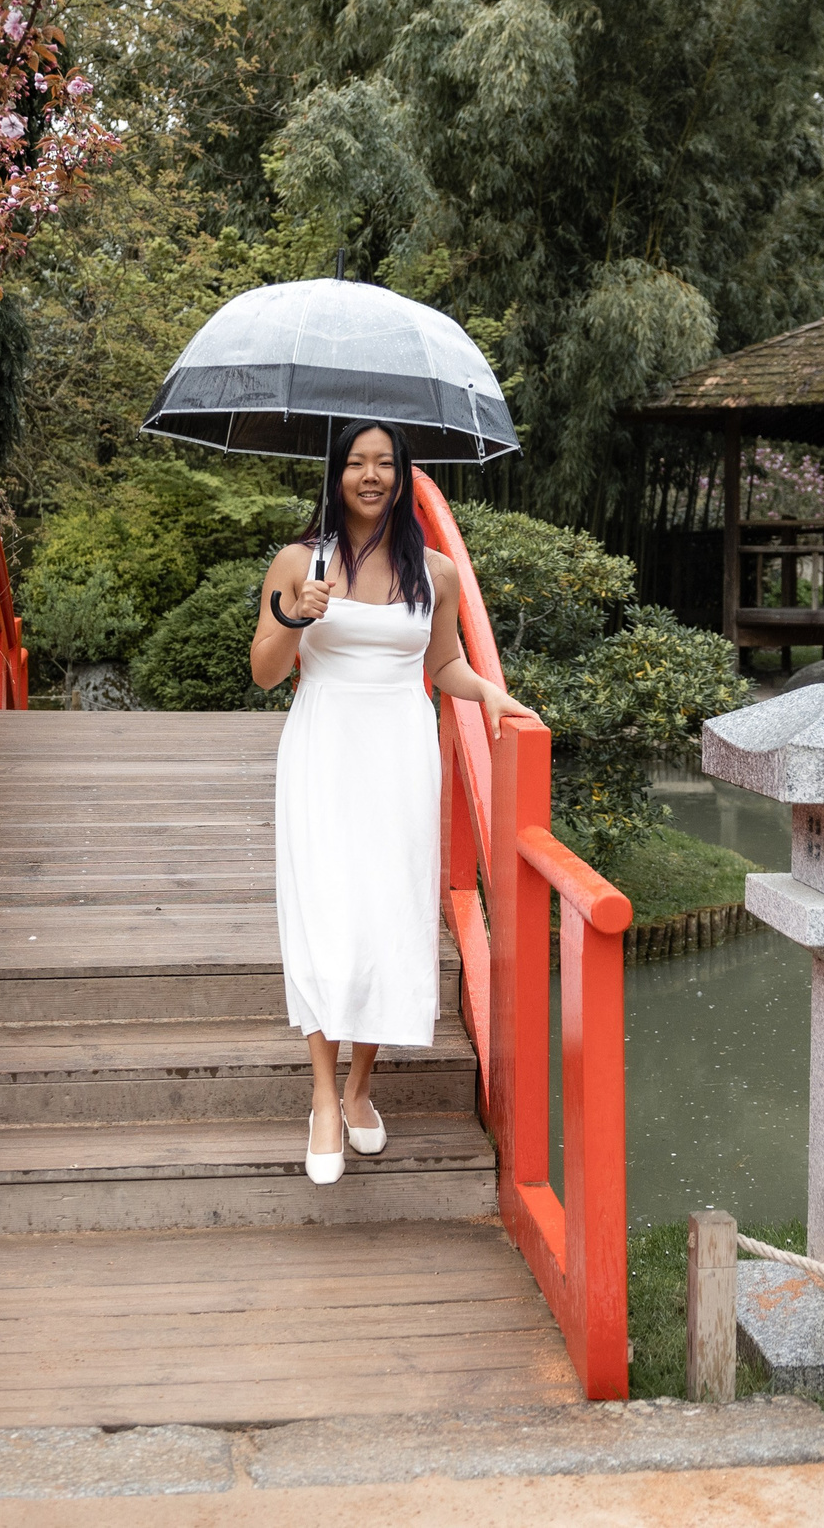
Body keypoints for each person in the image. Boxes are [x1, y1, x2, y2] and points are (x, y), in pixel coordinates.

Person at [250, 421, 537, 1185]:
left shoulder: (434, 572)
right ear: (334, 472)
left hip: (399, 756)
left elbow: (442, 663)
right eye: (355, 462)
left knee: (385, 911)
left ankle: (359, 1084)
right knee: (326, 911)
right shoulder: (296, 561)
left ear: (404, 475)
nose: (370, 476)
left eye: (384, 463)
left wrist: (492, 694)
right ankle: (319, 1094)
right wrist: (293, 614)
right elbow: (264, 674)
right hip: (323, 749)